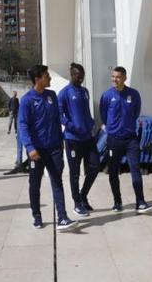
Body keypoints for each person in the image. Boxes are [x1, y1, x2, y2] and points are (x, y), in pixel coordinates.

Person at [18, 64, 77, 231]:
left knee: (57, 181)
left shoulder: (52, 95)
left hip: (54, 148)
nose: (50, 79)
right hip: (36, 151)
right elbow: (23, 126)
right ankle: (36, 215)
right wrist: (30, 147)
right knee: (34, 183)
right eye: (47, 76)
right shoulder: (27, 100)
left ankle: (63, 217)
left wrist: (60, 142)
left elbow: (57, 120)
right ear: (38, 80)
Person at [100, 66, 152, 213]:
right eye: (113, 77)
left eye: (117, 77)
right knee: (113, 172)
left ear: (124, 78)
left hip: (131, 139)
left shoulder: (134, 94)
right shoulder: (106, 96)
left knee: (135, 168)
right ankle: (117, 201)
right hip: (114, 139)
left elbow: (136, 113)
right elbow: (104, 115)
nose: (114, 79)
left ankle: (140, 201)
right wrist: (113, 129)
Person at [58, 63, 99, 216]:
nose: (80, 78)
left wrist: (91, 123)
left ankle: (83, 194)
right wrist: (72, 126)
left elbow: (86, 111)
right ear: (71, 75)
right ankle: (77, 203)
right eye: (77, 75)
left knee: (95, 167)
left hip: (88, 138)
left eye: (82, 75)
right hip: (73, 140)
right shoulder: (64, 93)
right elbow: (59, 115)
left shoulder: (85, 92)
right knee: (75, 173)